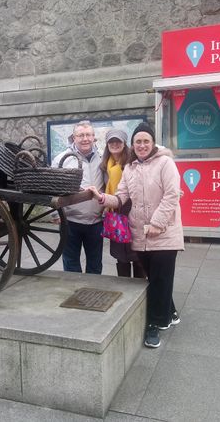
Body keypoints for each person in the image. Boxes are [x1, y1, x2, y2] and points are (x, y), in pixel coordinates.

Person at [88, 124, 182, 348]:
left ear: (152, 143)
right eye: (138, 142)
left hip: (164, 232)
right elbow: (120, 198)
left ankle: (154, 325)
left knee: (160, 278)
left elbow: (171, 195)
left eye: (145, 141)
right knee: (154, 277)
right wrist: (102, 198)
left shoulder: (165, 163)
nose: (141, 145)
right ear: (133, 145)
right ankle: (171, 311)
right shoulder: (129, 168)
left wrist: (156, 224)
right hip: (140, 234)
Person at [52, 120, 104, 274]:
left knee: (95, 265)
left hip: (96, 221)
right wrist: (55, 213)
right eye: (80, 135)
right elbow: (52, 186)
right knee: (71, 263)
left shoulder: (103, 158)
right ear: (73, 138)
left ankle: (92, 293)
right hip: (70, 221)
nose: (85, 139)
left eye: (88, 135)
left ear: (94, 137)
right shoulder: (62, 159)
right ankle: (74, 293)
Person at [99, 128, 144, 279]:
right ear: (107, 144)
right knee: (121, 255)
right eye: (111, 141)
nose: (114, 144)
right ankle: (124, 286)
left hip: (131, 211)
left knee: (136, 253)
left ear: (125, 143)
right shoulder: (107, 164)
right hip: (115, 212)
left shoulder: (132, 162)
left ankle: (139, 286)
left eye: (118, 141)